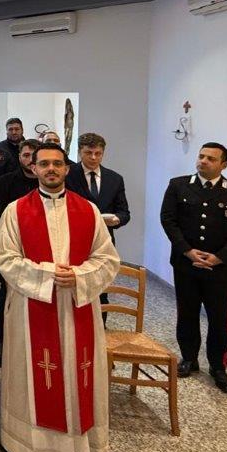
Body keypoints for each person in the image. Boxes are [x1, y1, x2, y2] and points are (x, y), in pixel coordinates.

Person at [0, 143, 120, 452]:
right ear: (33, 169)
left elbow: (107, 259)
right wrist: (49, 274)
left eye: (57, 164)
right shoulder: (15, 211)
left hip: (77, 308)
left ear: (67, 168)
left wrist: (78, 276)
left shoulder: (89, 210)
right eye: (44, 164)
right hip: (31, 308)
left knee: (78, 380)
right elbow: (5, 258)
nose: (51, 169)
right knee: (31, 381)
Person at [160, 142, 227, 395]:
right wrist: (187, 250)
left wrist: (220, 257)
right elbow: (168, 220)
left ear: (223, 165)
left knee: (219, 319)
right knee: (187, 313)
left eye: (211, 159)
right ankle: (189, 358)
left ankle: (218, 366)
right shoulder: (179, 186)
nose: (203, 161)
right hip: (186, 264)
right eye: (201, 156)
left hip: (220, 270)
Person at [0, 138, 42, 365]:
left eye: (34, 156)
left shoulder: (49, 185)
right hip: (13, 248)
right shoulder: (6, 181)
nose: (30, 160)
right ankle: (2, 341)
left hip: (42, 251)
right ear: (19, 157)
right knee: (7, 298)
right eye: (26, 155)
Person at [65, 133, 130, 324]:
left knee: (101, 289)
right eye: (89, 153)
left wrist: (117, 219)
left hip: (103, 241)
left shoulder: (114, 179)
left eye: (98, 153)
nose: (93, 158)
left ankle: (100, 329)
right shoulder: (68, 174)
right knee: (73, 288)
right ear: (80, 152)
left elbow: (124, 212)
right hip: (73, 240)